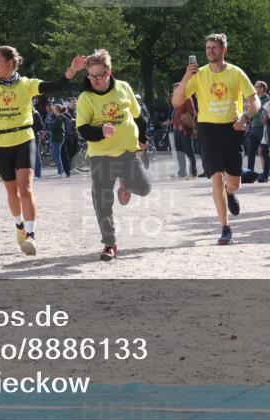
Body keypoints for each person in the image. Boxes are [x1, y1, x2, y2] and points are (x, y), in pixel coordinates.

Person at [0, 31, 86, 256]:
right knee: (12, 192)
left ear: (10, 63)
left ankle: (31, 235)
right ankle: (20, 227)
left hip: (23, 138)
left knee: (26, 188)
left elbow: (54, 84)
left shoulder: (27, 84)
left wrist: (72, 70)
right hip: (0, 142)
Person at [172, 34, 260, 245]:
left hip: (232, 129)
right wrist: (186, 76)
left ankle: (231, 194)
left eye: (214, 47)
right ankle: (225, 228)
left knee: (234, 183)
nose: (210, 51)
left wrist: (247, 116)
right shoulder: (198, 74)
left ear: (223, 50)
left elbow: (254, 99)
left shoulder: (236, 73)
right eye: (207, 48)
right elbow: (177, 101)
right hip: (208, 130)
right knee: (217, 179)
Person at [76, 49, 152, 261]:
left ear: (109, 72)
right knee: (102, 201)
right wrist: (100, 132)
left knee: (145, 188)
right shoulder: (85, 98)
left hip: (127, 151)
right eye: (91, 76)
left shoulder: (123, 88)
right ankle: (109, 243)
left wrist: (143, 139)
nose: (95, 80)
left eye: (99, 76)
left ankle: (126, 184)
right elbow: (82, 129)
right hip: (101, 155)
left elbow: (138, 117)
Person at [170, 82, 198, 178]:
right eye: (174, 89)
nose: (174, 91)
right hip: (176, 128)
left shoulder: (187, 98)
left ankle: (193, 172)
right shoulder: (177, 100)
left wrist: (183, 125)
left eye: (176, 89)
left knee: (188, 150)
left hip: (184, 129)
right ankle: (182, 172)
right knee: (179, 151)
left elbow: (192, 113)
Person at [247, 81, 267, 174]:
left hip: (262, 128)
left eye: (256, 87)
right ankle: (249, 172)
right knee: (251, 152)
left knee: (263, 151)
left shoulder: (267, 99)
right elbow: (250, 115)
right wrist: (248, 109)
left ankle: (267, 173)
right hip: (254, 127)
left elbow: (263, 114)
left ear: (262, 88)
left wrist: (254, 110)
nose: (254, 88)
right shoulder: (255, 99)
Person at [49, 104, 68, 177]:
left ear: (57, 110)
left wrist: (51, 124)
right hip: (57, 139)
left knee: (57, 155)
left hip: (57, 139)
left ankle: (60, 173)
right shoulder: (58, 117)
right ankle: (61, 171)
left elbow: (53, 128)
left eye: (53, 109)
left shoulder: (59, 118)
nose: (52, 110)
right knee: (56, 155)